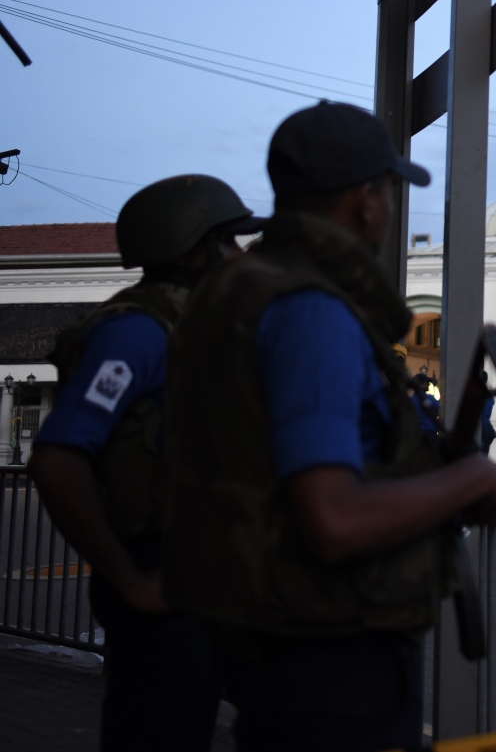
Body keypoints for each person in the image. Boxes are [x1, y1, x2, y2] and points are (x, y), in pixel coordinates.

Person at [159, 101, 496, 752]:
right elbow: (333, 517)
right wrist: (470, 479)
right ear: (367, 201)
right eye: (388, 190)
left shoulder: (237, 289)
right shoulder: (311, 312)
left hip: (263, 632)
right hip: (330, 658)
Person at [29, 174, 265, 752]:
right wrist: (128, 577)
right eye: (227, 244)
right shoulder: (136, 334)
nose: (238, 258)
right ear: (189, 252)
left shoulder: (189, 325)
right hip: (160, 579)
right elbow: (58, 457)